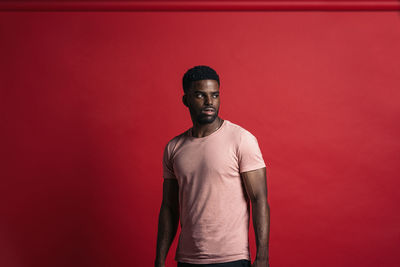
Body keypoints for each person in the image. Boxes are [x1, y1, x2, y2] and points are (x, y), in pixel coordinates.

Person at [155, 66, 270, 267]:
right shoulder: (174, 147)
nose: (210, 102)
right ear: (186, 100)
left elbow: (259, 198)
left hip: (231, 258)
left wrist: (262, 256)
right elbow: (169, 208)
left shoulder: (241, 139)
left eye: (215, 95)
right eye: (200, 95)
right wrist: (159, 259)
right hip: (188, 259)